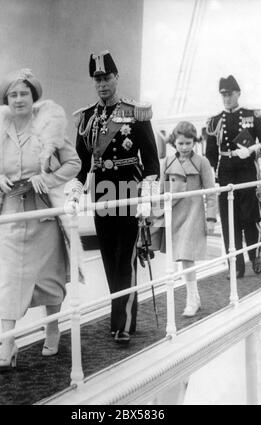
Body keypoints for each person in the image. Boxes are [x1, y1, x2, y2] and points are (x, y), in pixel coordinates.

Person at [0, 68, 83, 369]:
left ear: (34, 96)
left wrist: (46, 179)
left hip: (43, 213)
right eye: (13, 94)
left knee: (49, 277)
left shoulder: (48, 127)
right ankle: (8, 345)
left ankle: (52, 328)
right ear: (5, 99)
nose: (19, 99)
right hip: (11, 213)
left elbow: (74, 163)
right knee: (10, 280)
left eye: (24, 93)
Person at [65, 50, 160, 343]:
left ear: (117, 77)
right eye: (98, 79)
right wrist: (74, 192)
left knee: (126, 255)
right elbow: (82, 165)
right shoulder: (87, 117)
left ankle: (124, 322)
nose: (102, 83)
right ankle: (117, 315)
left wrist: (148, 198)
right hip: (103, 191)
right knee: (109, 255)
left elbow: (153, 162)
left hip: (129, 187)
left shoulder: (135, 111)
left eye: (107, 77)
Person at [151, 121, 217, 316]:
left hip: (193, 214)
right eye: (181, 143)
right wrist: (155, 214)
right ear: (174, 143)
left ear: (194, 142)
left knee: (186, 257)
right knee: (179, 259)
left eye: (188, 143)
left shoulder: (202, 162)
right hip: (173, 215)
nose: (185, 147)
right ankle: (194, 297)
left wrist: (211, 219)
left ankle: (191, 299)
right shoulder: (168, 162)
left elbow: (211, 192)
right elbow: (160, 190)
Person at [206, 75, 261, 278]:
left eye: (230, 94)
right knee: (228, 219)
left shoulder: (252, 115)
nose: (226, 98)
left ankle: (254, 255)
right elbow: (210, 154)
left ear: (238, 94)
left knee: (250, 217)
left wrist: (251, 151)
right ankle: (235, 264)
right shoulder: (215, 121)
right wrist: (213, 178)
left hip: (247, 172)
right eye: (223, 95)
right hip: (225, 173)